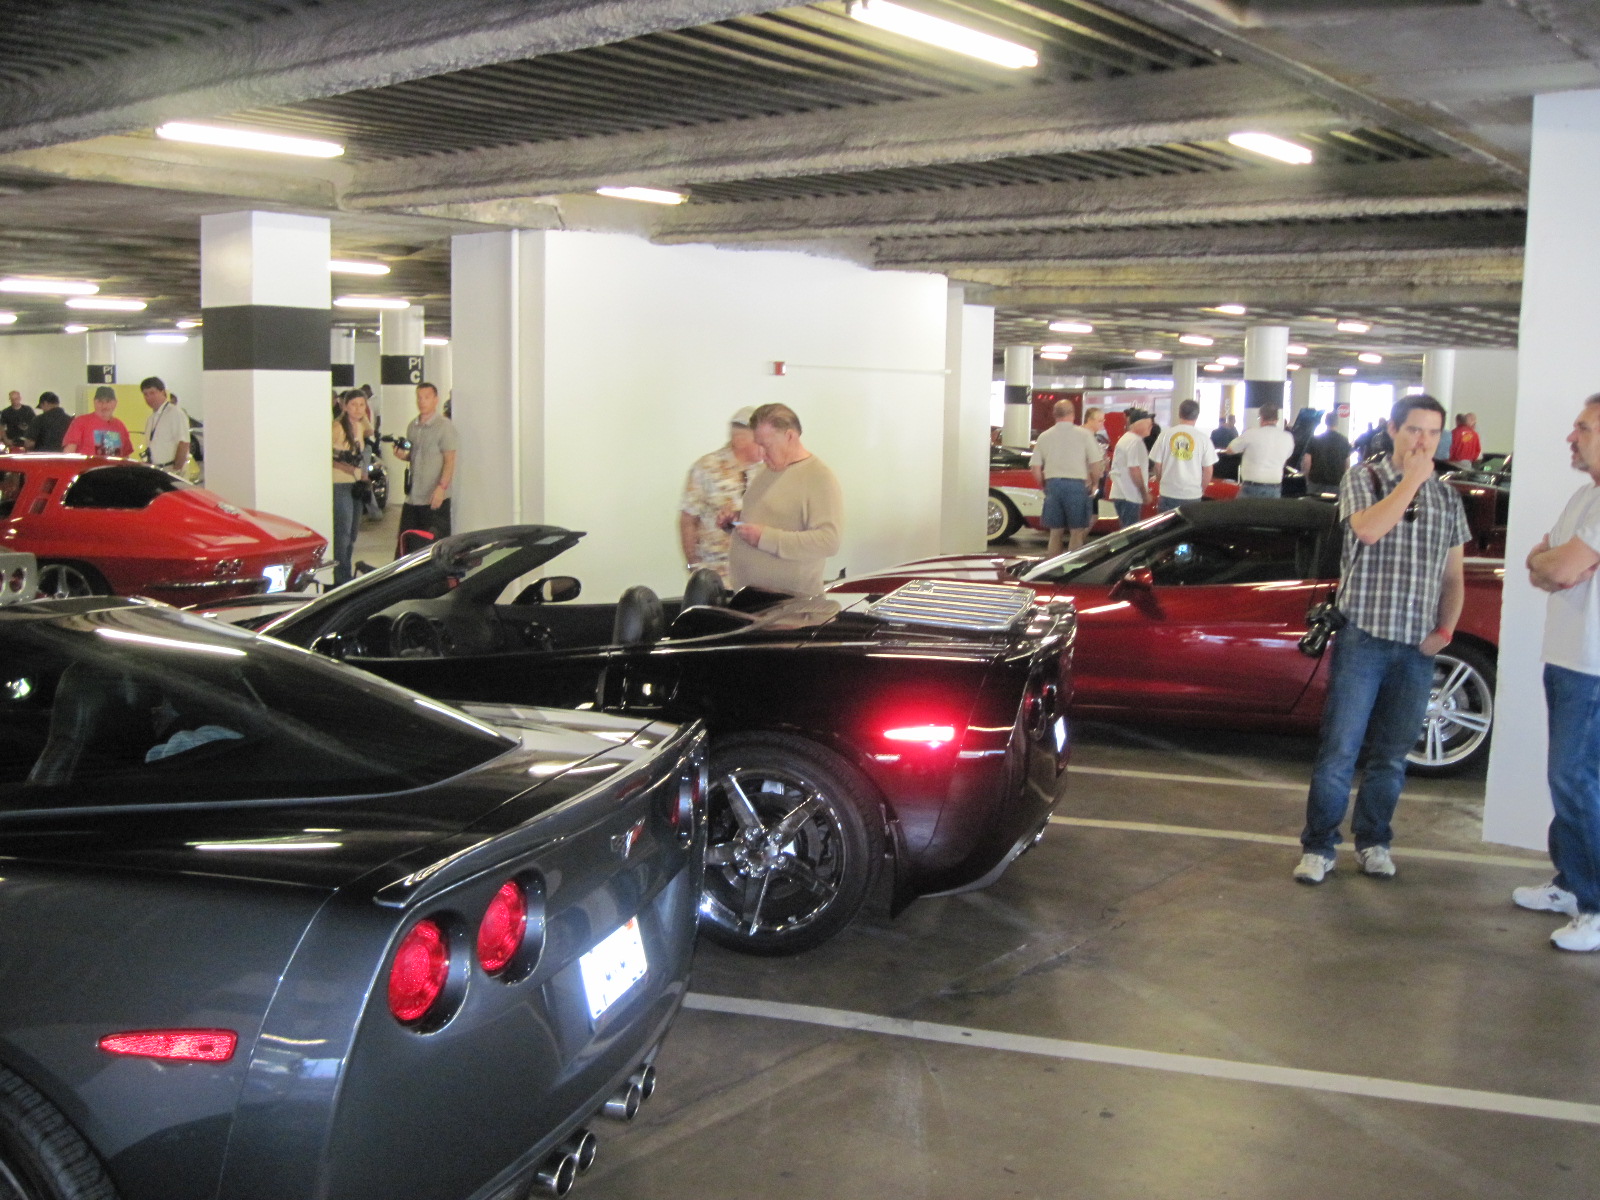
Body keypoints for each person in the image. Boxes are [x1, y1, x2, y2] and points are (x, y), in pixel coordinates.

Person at [1293, 394, 1470, 885]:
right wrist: (1411, 481)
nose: (1424, 441)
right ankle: (1319, 846)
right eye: (1414, 430)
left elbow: (1452, 576)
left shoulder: (1447, 498)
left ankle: (1374, 841)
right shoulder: (1362, 479)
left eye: (1433, 433)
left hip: (1415, 649)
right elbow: (1368, 531)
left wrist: (1445, 630)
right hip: (1363, 640)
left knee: (1391, 757)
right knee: (1340, 751)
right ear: (1393, 430)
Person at [1512, 394, 1600, 950]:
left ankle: (1594, 904)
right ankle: (1571, 884)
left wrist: (1551, 563)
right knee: (1575, 782)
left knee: (1573, 780)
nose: (1572, 436)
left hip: (1591, 668)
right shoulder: (1585, 495)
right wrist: (1548, 563)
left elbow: (1560, 566)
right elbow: (1539, 564)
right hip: (1566, 661)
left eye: (1584, 427)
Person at [726, 403, 842, 597]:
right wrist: (735, 521)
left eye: (766, 445)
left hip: (791, 608)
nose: (761, 454)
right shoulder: (767, 471)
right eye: (758, 444)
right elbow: (772, 518)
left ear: (790, 436)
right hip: (755, 601)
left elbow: (828, 541)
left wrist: (766, 538)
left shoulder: (819, 477)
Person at [679, 407, 763, 584]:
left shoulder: (768, 471)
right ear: (740, 440)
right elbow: (688, 520)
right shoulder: (707, 467)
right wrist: (692, 566)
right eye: (759, 439)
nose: (765, 445)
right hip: (715, 575)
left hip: (758, 574)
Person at [1029, 399, 1104, 555]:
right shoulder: (1084, 435)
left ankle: (1052, 568)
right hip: (1077, 486)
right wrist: (1095, 483)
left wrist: (1044, 486)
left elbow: (1035, 468)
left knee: (1055, 533)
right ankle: (1071, 568)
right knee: (1077, 531)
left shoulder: (1044, 436)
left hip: (1053, 485)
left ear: (1054, 414)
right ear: (1073, 414)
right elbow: (1096, 464)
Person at [392, 381, 458, 553]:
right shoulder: (412, 426)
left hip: (434, 498)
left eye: (427, 397)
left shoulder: (444, 427)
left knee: (431, 548)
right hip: (413, 497)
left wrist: (441, 488)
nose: (422, 401)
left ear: (436, 400)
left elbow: (450, 460)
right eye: (419, 398)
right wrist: (403, 456)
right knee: (406, 546)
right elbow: (415, 457)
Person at [331, 389, 374, 586]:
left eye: (362, 405)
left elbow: (367, 444)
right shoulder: (337, 427)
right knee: (343, 532)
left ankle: (346, 572)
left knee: (353, 532)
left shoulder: (360, 426)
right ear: (345, 406)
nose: (358, 409)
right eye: (354, 405)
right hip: (340, 483)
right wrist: (343, 466)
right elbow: (325, 454)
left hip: (356, 483)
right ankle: (341, 577)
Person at [1149, 399, 1217, 512]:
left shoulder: (1165, 435)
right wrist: (1201, 490)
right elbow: (1208, 470)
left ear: (1179, 413)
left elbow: (1157, 464)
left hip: (1168, 492)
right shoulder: (1203, 439)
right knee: (1188, 529)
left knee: (1166, 528)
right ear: (1197, 416)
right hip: (1192, 495)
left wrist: (1161, 481)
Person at [1227, 404, 1295, 498]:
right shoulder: (1288, 437)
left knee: (1244, 512)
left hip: (1252, 487)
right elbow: (1287, 456)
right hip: (1275, 488)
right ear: (1277, 419)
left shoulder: (1251, 433)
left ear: (1261, 417)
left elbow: (1230, 449)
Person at [1108, 407, 1153, 527]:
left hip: (1123, 494)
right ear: (1138, 424)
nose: (1151, 426)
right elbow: (1134, 469)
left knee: (1126, 531)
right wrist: (1144, 493)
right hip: (1129, 495)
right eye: (1148, 423)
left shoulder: (1127, 439)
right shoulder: (1135, 442)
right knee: (1130, 535)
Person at [62, 386, 132, 457]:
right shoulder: (81, 422)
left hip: (113, 467)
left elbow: (126, 456)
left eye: (108, 401)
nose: (104, 406)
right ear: (94, 402)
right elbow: (69, 453)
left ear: (115, 403)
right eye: (100, 402)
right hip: (87, 467)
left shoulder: (119, 426)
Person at [139, 376, 189, 473]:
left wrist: (176, 470)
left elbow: (184, 443)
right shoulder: (151, 418)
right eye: (145, 394)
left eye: (152, 393)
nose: (149, 397)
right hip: (156, 469)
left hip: (171, 470)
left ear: (163, 392)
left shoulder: (175, 413)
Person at [1301, 412, 1353, 495]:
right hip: (1336, 483)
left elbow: (1307, 461)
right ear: (1337, 423)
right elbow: (1347, 464)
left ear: (1325, 422)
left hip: (1316, 482)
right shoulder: (1344, 441)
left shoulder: (1315, 439)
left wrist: (1306, 477)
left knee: (1313, 506)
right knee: (1332, 507)